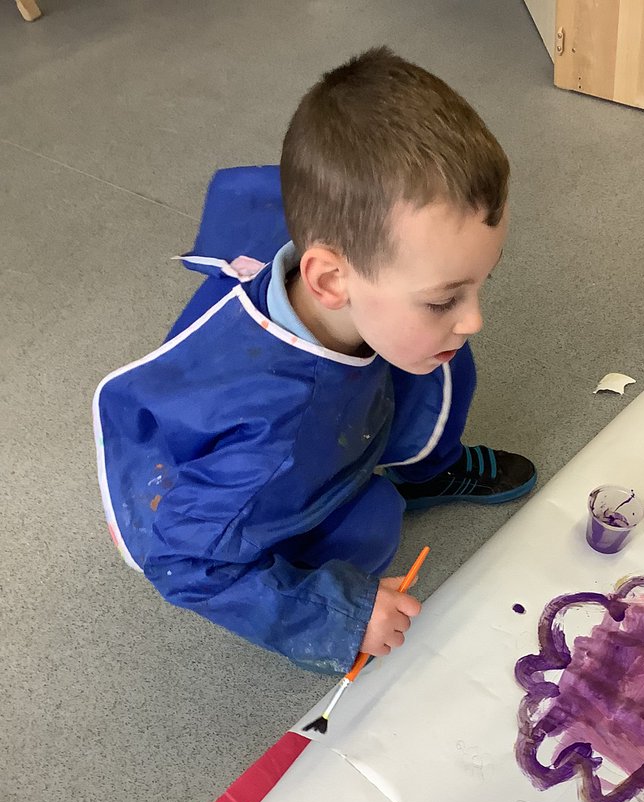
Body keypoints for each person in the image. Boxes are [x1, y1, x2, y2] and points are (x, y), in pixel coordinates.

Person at [93, 47, 536, 675]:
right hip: (213, 499)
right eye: (444, 297)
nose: (474, 317)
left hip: (344, 376)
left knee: (439, 357)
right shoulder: (272, 437)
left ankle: (427, 465)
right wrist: (345, 615)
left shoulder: (348, 251)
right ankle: (343, 539)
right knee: (374, 521)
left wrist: (434, 311)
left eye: (479, 284)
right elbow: (185, 563)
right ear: (330, 280)